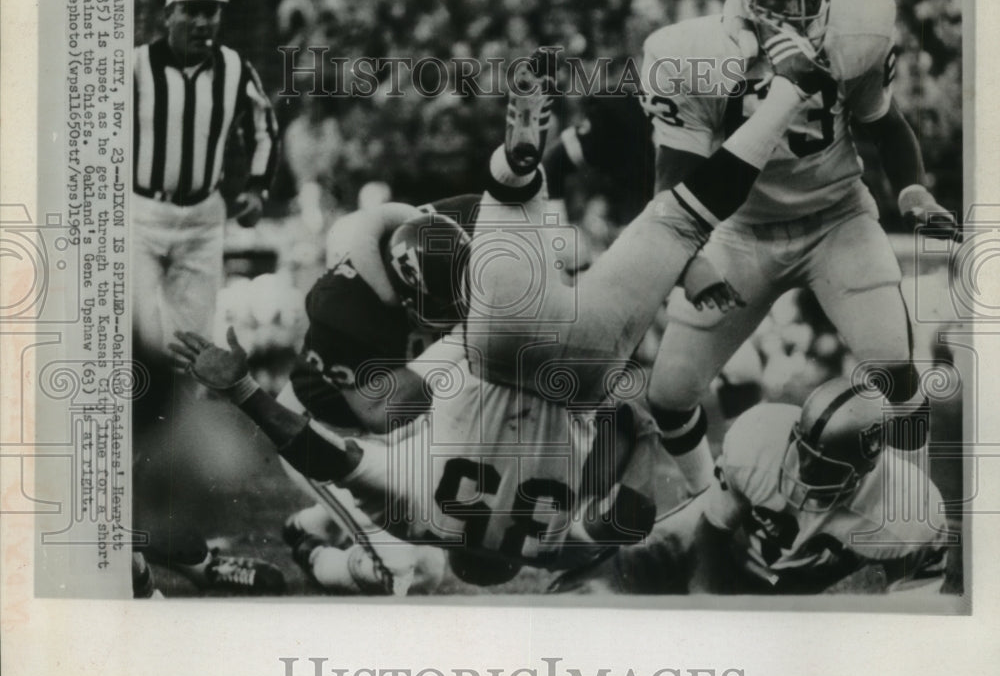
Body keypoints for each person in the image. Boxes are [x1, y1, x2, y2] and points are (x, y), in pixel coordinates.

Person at [171, 41, 825, 586]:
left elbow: (626, 515)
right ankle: (518, 169)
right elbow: (321, 453)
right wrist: (245, 392)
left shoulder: (547, 546)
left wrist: (632, 435)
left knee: (684, 218)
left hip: (582, 367)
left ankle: (788, 96)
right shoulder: (422, 515)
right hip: (498, 346)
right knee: (509, 205)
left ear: (507, 564)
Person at [640, 0, 960, 496]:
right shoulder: (696, 54)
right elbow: (674, 180)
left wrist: (913, 190)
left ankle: (920, 513)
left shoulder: (856, 34)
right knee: (668, 394)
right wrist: (689, 262)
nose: (798, 8)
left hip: (836, 216)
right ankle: (706, 503)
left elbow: (886, 127)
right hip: (739, 230)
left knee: (894, 368)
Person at [132, 0, 283, 594]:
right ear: (168, 14)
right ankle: (137, 497)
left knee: (194, 357)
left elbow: (265, 124)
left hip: (200, 218)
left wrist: (256, 186)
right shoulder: (134, 67)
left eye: (212, 11)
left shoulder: (233, 67)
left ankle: (174, 506)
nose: (203, 22)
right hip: (138, 211)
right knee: (145, 344)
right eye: (191, 11)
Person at [551, 377, 953, 596]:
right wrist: (708, 606)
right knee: (580, 599)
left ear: (866, 467)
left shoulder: (908, 512)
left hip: (777, 589)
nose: (805, 467)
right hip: (711, 546)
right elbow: (710, 532)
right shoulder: (761, 439)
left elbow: (913, 621)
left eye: (823, 466)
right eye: (804, 451)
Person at [277, 194, 481, 595]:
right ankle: (317, 554)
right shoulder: (344, 311)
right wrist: (461, 343)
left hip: (395, 433)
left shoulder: (431, 239)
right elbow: (378, 413)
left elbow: (396, 217)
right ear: (406, 295)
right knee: (418, 573)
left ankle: (313, 523)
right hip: (325, 437)